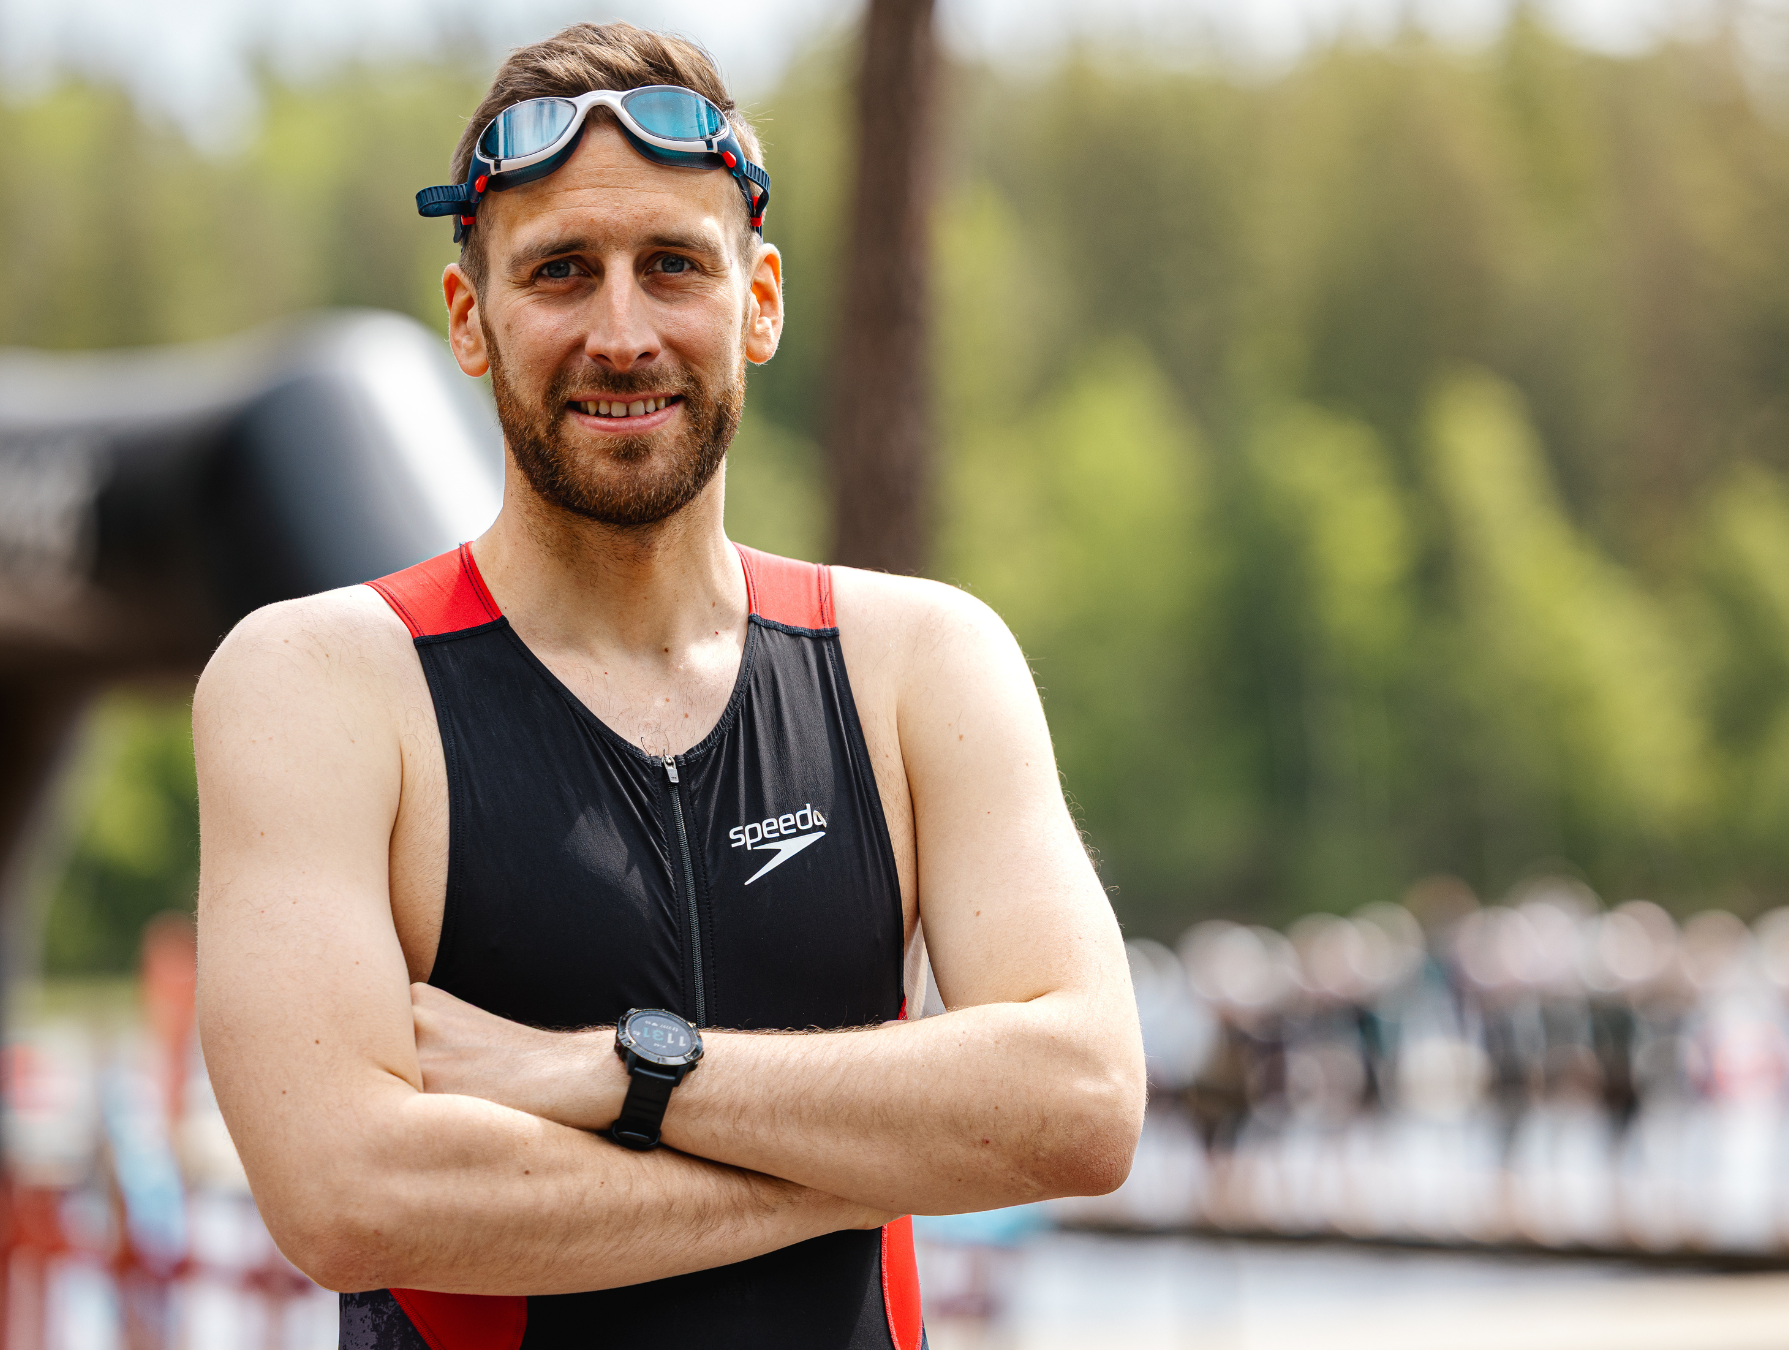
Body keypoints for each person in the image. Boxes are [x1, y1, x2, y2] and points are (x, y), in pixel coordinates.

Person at [191, 23, 1145, 1350]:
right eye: (562, 272)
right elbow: (351, 1194)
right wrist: (878, 1160)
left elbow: (1086, 1099)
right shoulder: (326, 685)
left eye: (674, 267)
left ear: (758, 302)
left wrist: (617, 1069)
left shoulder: (920, 662)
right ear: (471, 320)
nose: (622, 332)